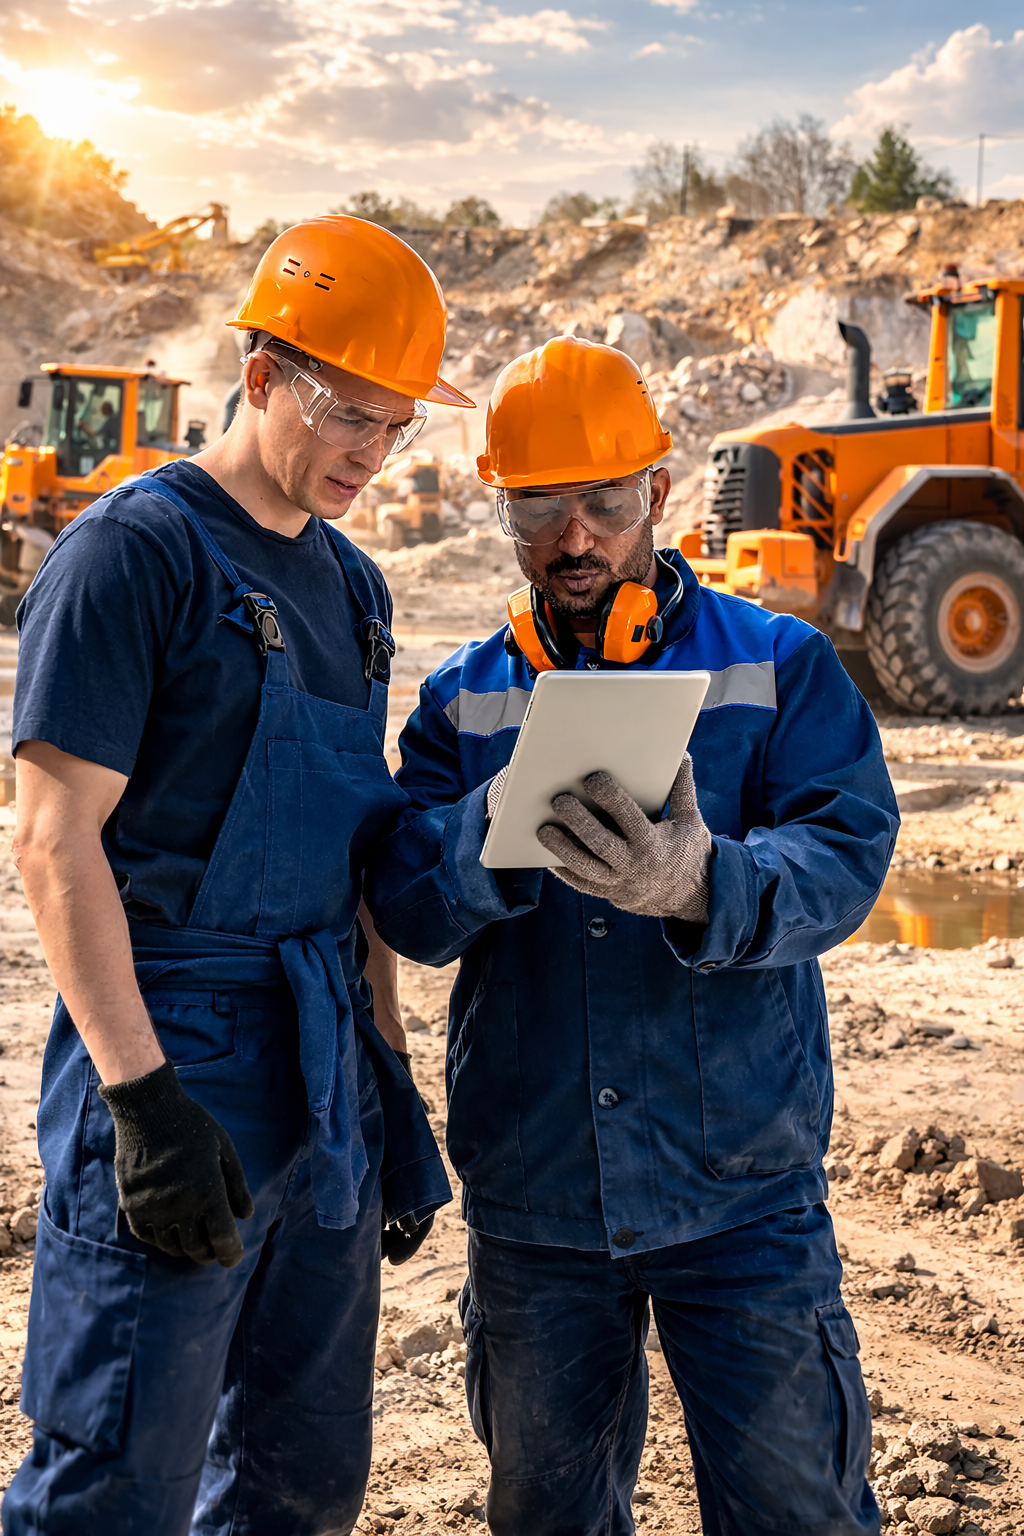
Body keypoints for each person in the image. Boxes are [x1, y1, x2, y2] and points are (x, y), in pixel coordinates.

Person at [365, 336, 899, 1536]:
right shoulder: (463, 699)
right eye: (537, 510)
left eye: (602, 505)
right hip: (536, 1205)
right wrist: (482, 841)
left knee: (795, 1513)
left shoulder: (778, 665)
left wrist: (706, 881)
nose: (574, 542)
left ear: (656, 493)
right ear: (501, 508)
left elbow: (849, 854)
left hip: (741, 1197)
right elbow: (400, 906)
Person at [5, 216, 473, 1536]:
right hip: (172, 1059)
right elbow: (52, 837)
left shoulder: (360, 591)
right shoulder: (132, 555)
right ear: (263, 374)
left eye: (396, 428)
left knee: (300, 1476)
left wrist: (385, 1076)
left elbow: (349, 858)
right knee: (115, 1484)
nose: (371, 457)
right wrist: (144, 1103)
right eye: (349, 418)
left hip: (323, 1078)